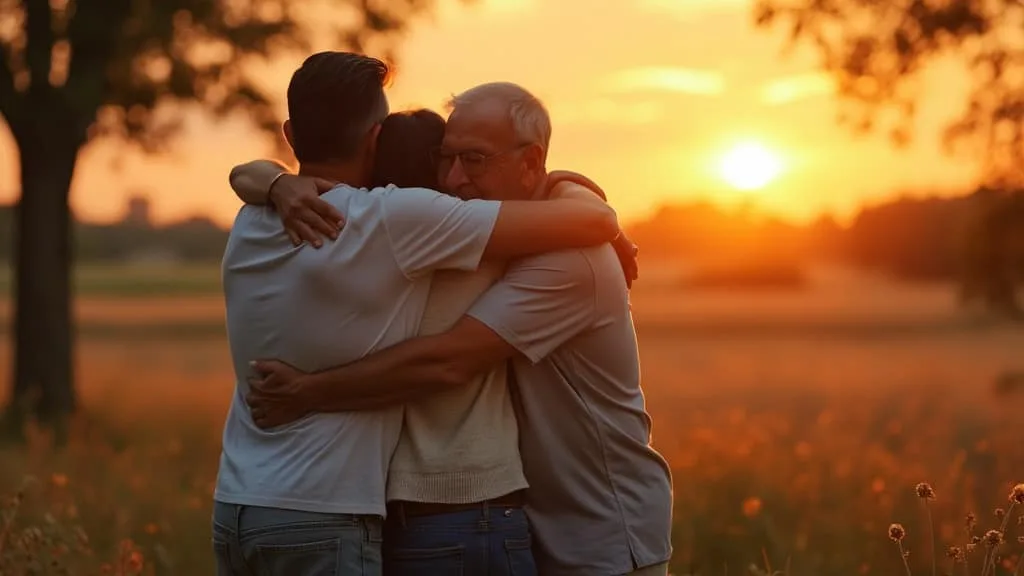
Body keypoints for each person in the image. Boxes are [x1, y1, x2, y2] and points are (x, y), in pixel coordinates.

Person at [213, 52, 622, 576]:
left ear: (290, 134)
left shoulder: (251, 219)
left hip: (237, 509)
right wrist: (565, 184)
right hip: (325, 512)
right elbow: (594, 222)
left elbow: (244, 174)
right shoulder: (393, 220)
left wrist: (273, 181)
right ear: (373, 138)